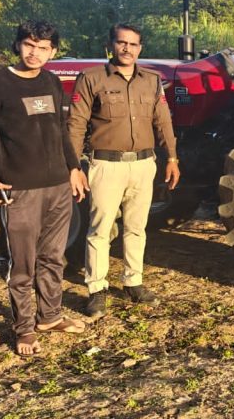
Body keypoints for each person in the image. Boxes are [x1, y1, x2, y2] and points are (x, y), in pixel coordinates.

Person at [0, 21, 88, 356]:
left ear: (53, 51)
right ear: (18, 45)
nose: (35, 53)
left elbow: (60, 130)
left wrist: (74, 168)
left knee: (53, 257)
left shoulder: (51, 81)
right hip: (18, 189)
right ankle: (23, 328)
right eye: (29, 45)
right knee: (22, 264)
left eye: (43, 47)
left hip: (57, 187)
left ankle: (49, 317)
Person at [68, 23, 180, 320]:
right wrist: (72, 166)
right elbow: (76, 125)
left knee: (136, 227)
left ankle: (133, 282)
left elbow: (163, 122)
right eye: (122, 43)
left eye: (133, 44)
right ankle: (97, 288)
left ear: (140, 48)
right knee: (100, 229)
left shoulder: (152, 82)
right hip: (106, 165)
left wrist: (172, 158)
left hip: (143, 165)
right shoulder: (92, 79)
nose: (127, 48)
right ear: (112, 45)